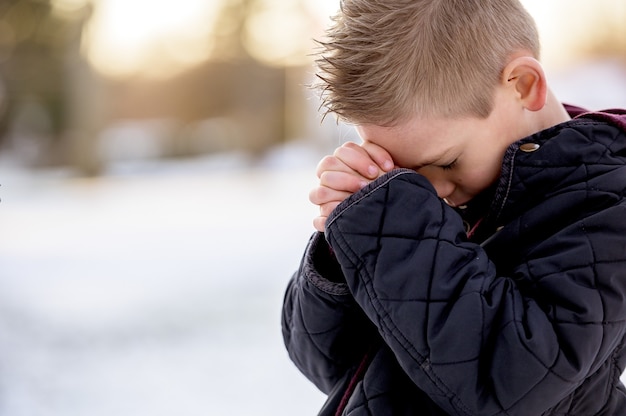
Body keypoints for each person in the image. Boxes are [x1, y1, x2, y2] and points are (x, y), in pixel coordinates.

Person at [281, 0, 626, 415]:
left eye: (446, 163)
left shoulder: (608, 204)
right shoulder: (422, 203)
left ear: (523, 85)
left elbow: (507, 382)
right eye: (400, 170)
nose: (433, 190)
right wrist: (349, 240)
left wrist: (390, 221)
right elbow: (331, 365)